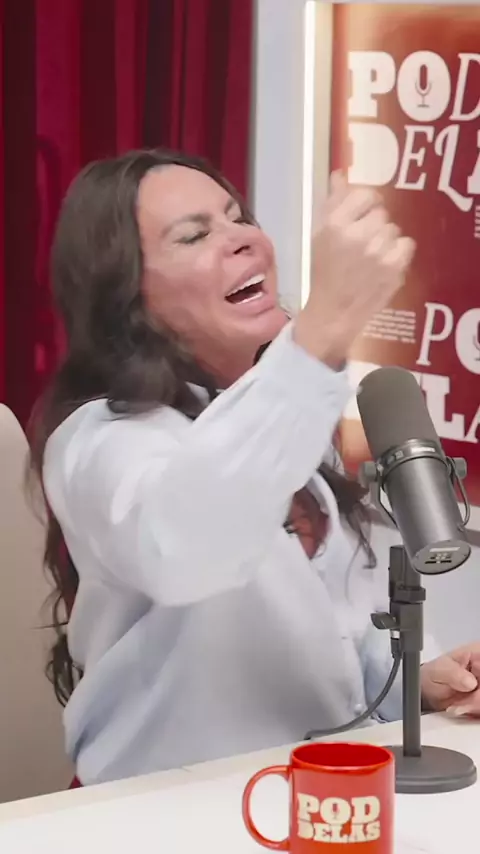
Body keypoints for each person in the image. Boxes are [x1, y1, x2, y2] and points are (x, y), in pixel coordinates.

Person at [30, 149, 480, 787]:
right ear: (129, 297)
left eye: (238, 217)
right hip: (163, 810)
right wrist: (320, 333)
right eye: (194, 235)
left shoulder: (283, 419)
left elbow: (334, 637)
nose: (242, 238)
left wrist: (419, 679)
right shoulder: (99, 442)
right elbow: (187, 544)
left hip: (315, 793)